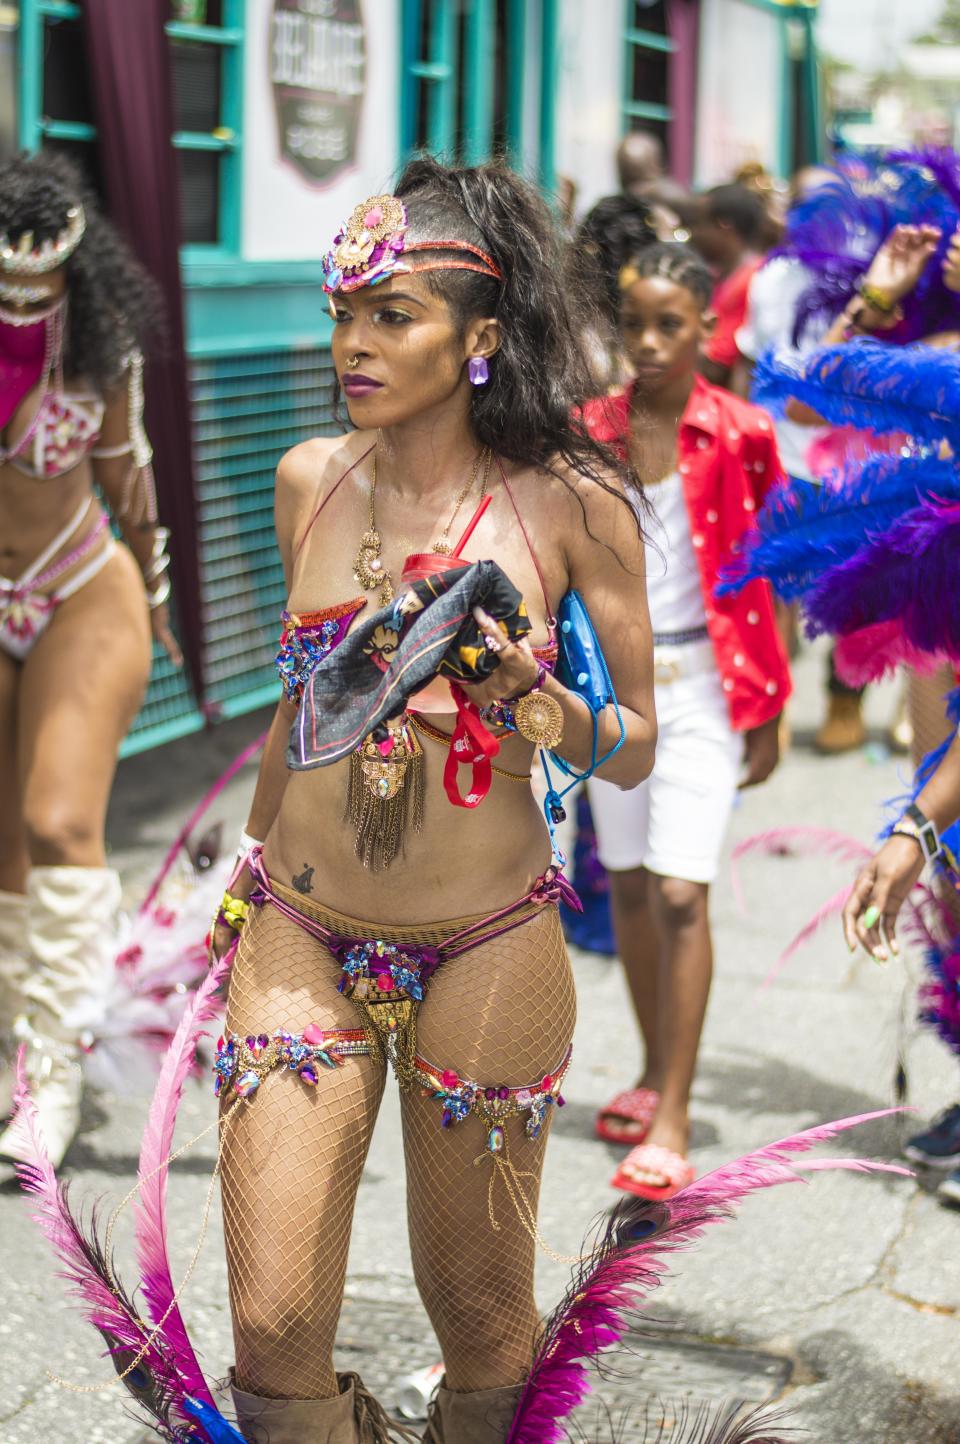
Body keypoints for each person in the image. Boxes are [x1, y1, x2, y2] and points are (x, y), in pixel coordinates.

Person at [209, 158, 656, 1443]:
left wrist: (542, 704)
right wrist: (241, 875)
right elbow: (305, 708)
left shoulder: (575, 503)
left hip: (487, 939)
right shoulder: (308, 477)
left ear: (482, 339)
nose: (352, 341)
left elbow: (636, 745)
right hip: (302, 925)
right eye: (342, 309)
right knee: (276, 1321)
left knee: (479, 1315)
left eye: (390, 314)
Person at [581, 243, 790, 1202]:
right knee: (624, 883)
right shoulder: (587, 431)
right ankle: (654, 1065)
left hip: (706, 683)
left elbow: (774, 568)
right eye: (635, 325)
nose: (652, 343)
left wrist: (771, 705)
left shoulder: (741, 432)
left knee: (678, 893)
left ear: (710, 328)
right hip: (609, 683)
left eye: (673, 325)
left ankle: (673, 1112)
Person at [0, 152, 177, 1169]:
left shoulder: (99, 346)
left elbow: (130, 474)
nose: (25, 301)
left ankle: (52, 1077)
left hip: (79, 586)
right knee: (2, 845)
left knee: (58, 818)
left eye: (42, 282)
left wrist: (156, 600)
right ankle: (12, 1049)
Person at [688, 183, 767, 388]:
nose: (693, 233)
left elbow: (717, 365)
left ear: (724, 227)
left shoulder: (752, 279)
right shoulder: (722, 275)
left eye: (699, 224)